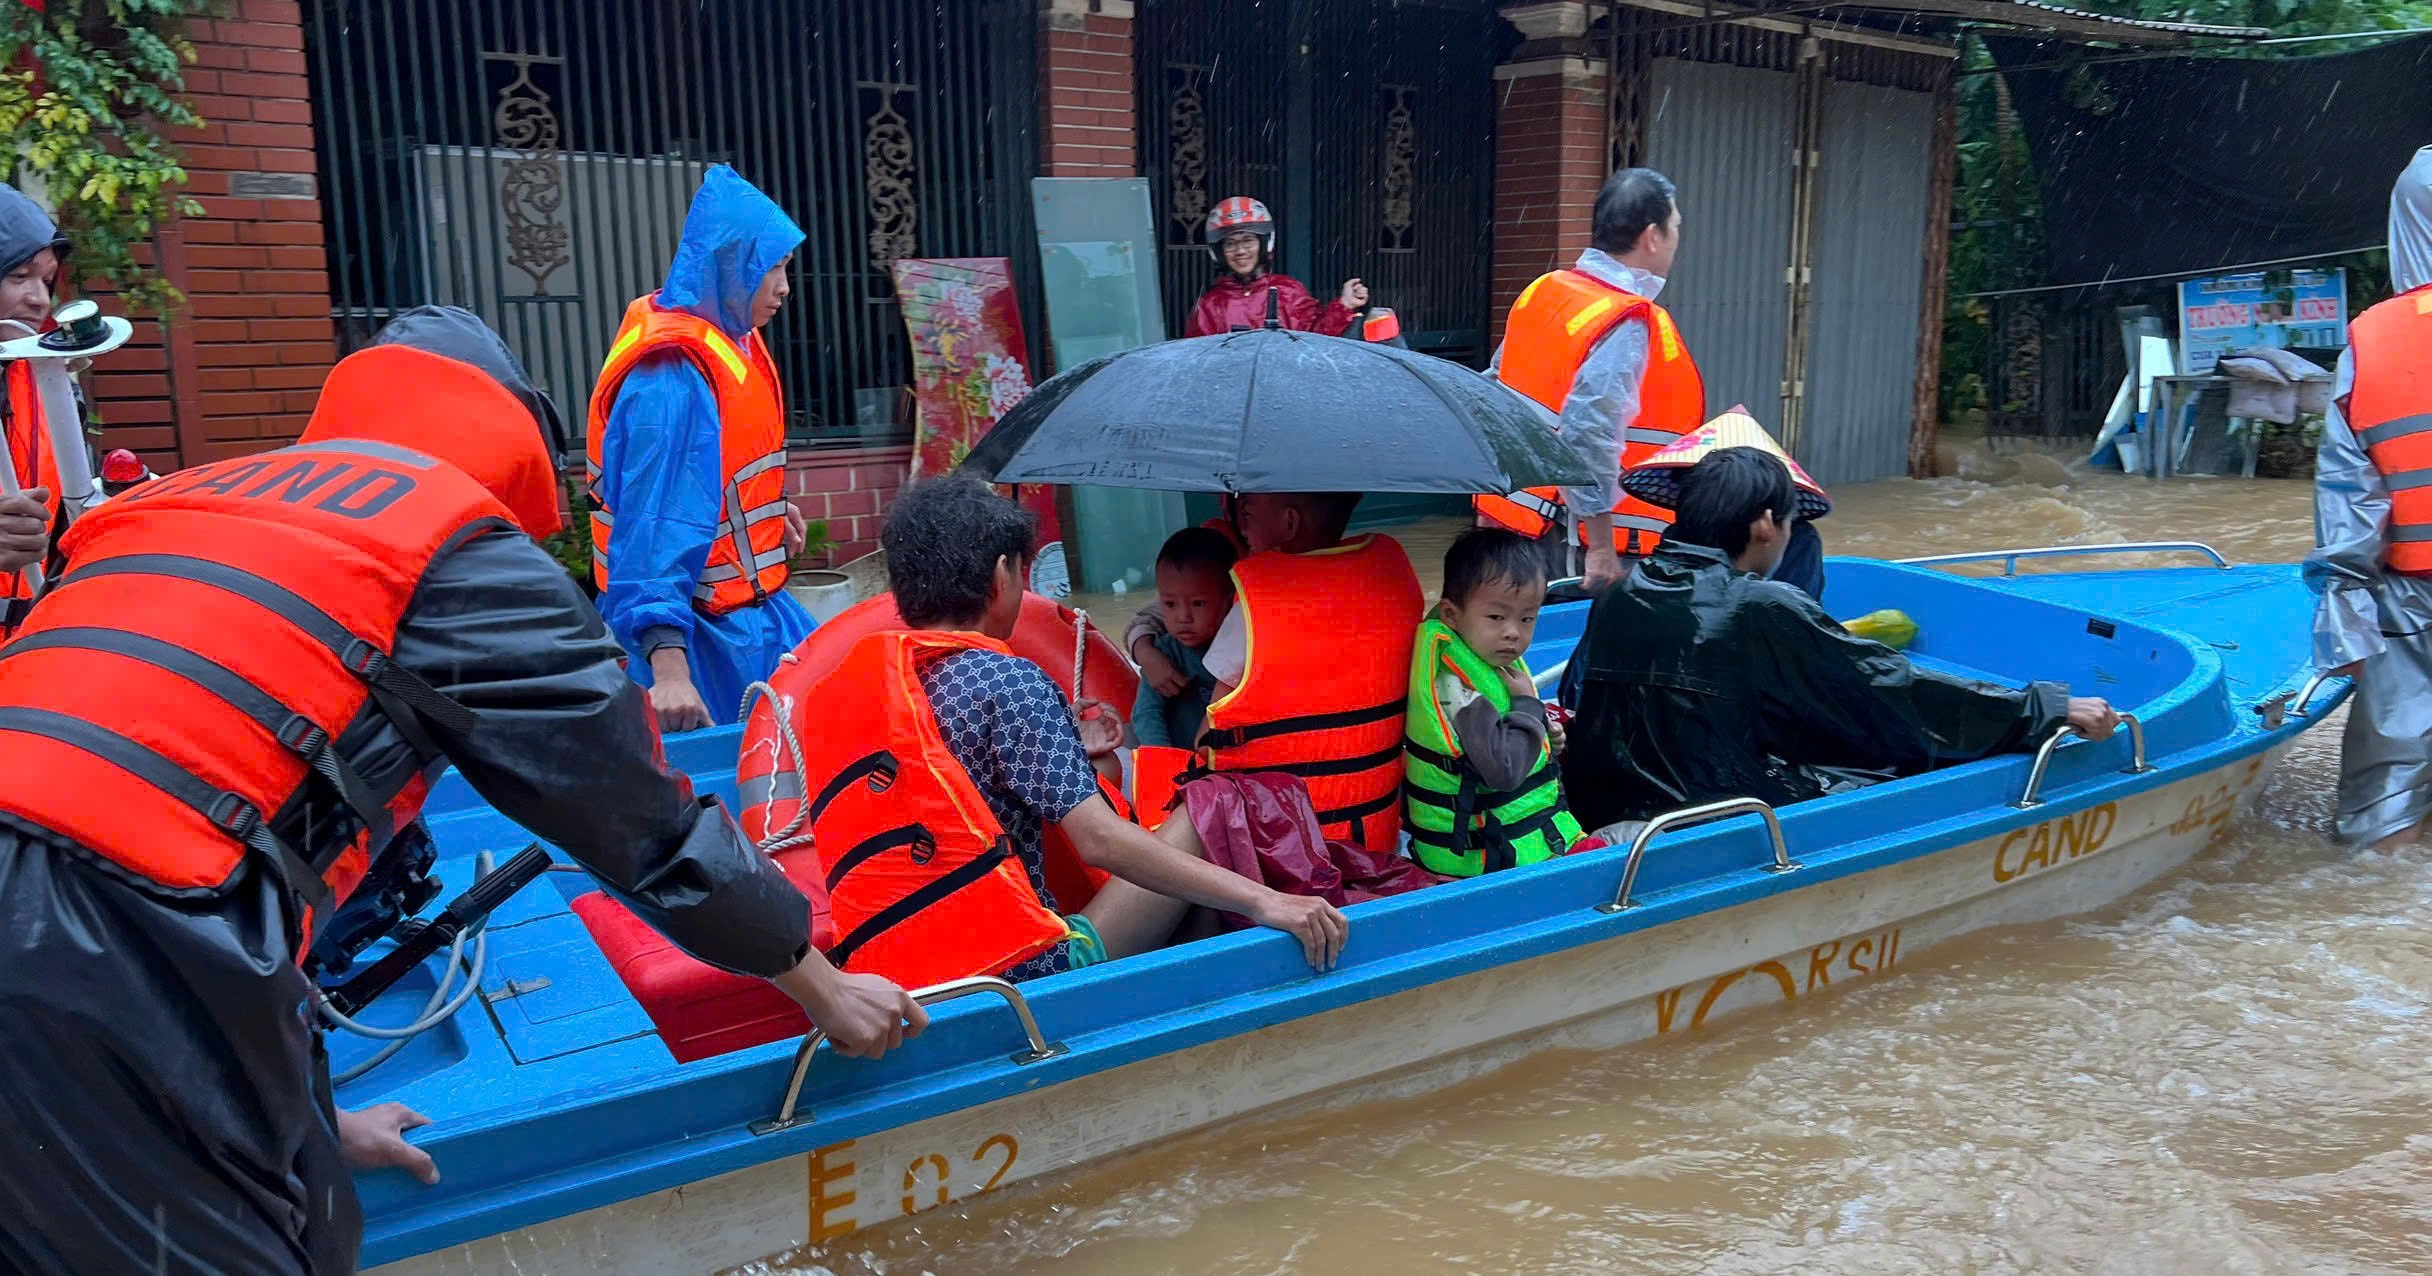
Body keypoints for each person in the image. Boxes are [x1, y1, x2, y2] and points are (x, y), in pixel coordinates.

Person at [0, 307, 923, 1276]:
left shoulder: (191, 506)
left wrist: (312, 1116)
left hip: (105, 923)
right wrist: (822, 986)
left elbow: (210, 828)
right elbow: (649, 830)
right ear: (513, 444)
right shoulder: (448, 546)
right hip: (100, 953)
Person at [790, 475, 1347, 984]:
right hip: (1017, 974)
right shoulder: (1007, 680)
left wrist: (1069, 743)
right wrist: (1263, 901)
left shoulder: (846, 695)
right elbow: (1099, 840)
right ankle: (1199, 991)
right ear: (1002, 574)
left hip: (893, 981)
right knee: (1214, 802)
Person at [1565, 447, 2122, 830]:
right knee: (1906, 762)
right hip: (1713, 813)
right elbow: (1890, 692)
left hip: (1605, 804)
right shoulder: (1760, 604)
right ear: (1765, 524)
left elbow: (1578, 702)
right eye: (1789, 524)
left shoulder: (1622, 590)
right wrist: (2045, 707)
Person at [586, 165, 815, 733]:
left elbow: (709, 484)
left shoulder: (727, 337)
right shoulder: (672, 379)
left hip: (746, 621)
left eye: (786, 267)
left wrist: (760, 515)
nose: (784, 287)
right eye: (773, 268)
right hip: (697, 638)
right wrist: (669, 670)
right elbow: (652, 527)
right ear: (732, 266)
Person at [1475, 168, 1706, 593]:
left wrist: (1493, 496)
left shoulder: (1545, 290)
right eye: (1675, 228)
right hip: (1580, 541)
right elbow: (1587, 434)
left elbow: (1491, 392)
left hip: (1522, 522)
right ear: (1652, 236)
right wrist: (1600, 545)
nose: (1676, 241)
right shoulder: (1626, 320)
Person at [2304, 144, 2432, 852]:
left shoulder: (2371, 340)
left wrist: (2343, 621)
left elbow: (2348, 503)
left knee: (2387, 801)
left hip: (2405, 605)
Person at [1189, 491, 1426, 848]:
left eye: (1249, 514)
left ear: (1288, 523)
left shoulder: (1256, 602)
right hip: (1376, 835)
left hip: (1279, 847)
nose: (1242, 522)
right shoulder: (1392, 578)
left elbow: (1207, 742)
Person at [1403, 528, 1598, 877]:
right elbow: (1504, 771)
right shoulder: (1455, 685)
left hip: (1515, 842)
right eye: (1497, 617)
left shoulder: (1486, 656)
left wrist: (1545, 735)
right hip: (1481, 861)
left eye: (1527, 618)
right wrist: (1526, 706)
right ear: (1450, 614)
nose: (1513, 632)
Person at [0, 184, 72, 637]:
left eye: (46, 281)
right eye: (19, 276)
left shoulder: (43, 381)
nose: (39, 299)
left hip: (33, 649)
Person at [1184, 196, 1367, 338]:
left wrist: (1344, 305)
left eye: (1248, 240)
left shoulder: (1288, 292)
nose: (1240, 251)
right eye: (1230, 244)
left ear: (1264, 243)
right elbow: (1197, 362)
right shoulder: (1208, 307)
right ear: (1219, 252)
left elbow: (1317, 340)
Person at [1132, 525, 1237, 748]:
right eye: (1170, 604)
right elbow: (1146, 716)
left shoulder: (1244, 649)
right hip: (1179, 766)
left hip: (1230, 765)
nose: (1183, 617)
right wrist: (1165, 761)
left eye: (1198, 603)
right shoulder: (1165, 653)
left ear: (1230, 600)